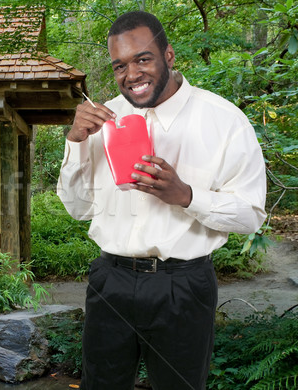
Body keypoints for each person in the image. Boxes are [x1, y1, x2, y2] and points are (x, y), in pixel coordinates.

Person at [57, 11, 266, 390]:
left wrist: (185, 195)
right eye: (120, 65)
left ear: (168, 55)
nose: (131, 74)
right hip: (110, 281)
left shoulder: (223, 120)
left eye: (143, 59)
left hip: (183, 287)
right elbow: (77, 208)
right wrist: (75, 143)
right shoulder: (104, 119)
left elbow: (250, 216)